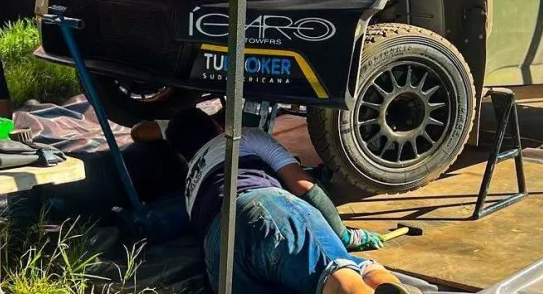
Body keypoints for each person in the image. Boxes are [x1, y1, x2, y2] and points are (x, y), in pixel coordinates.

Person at [157, 107, 414, 294]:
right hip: (262, 208)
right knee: (338, 272)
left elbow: (140, 131)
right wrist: (344, 235)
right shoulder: (242, 137)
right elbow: (304, 186)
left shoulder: (191, 181)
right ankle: (373, 279)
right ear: (217, 127)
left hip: (218, 253)